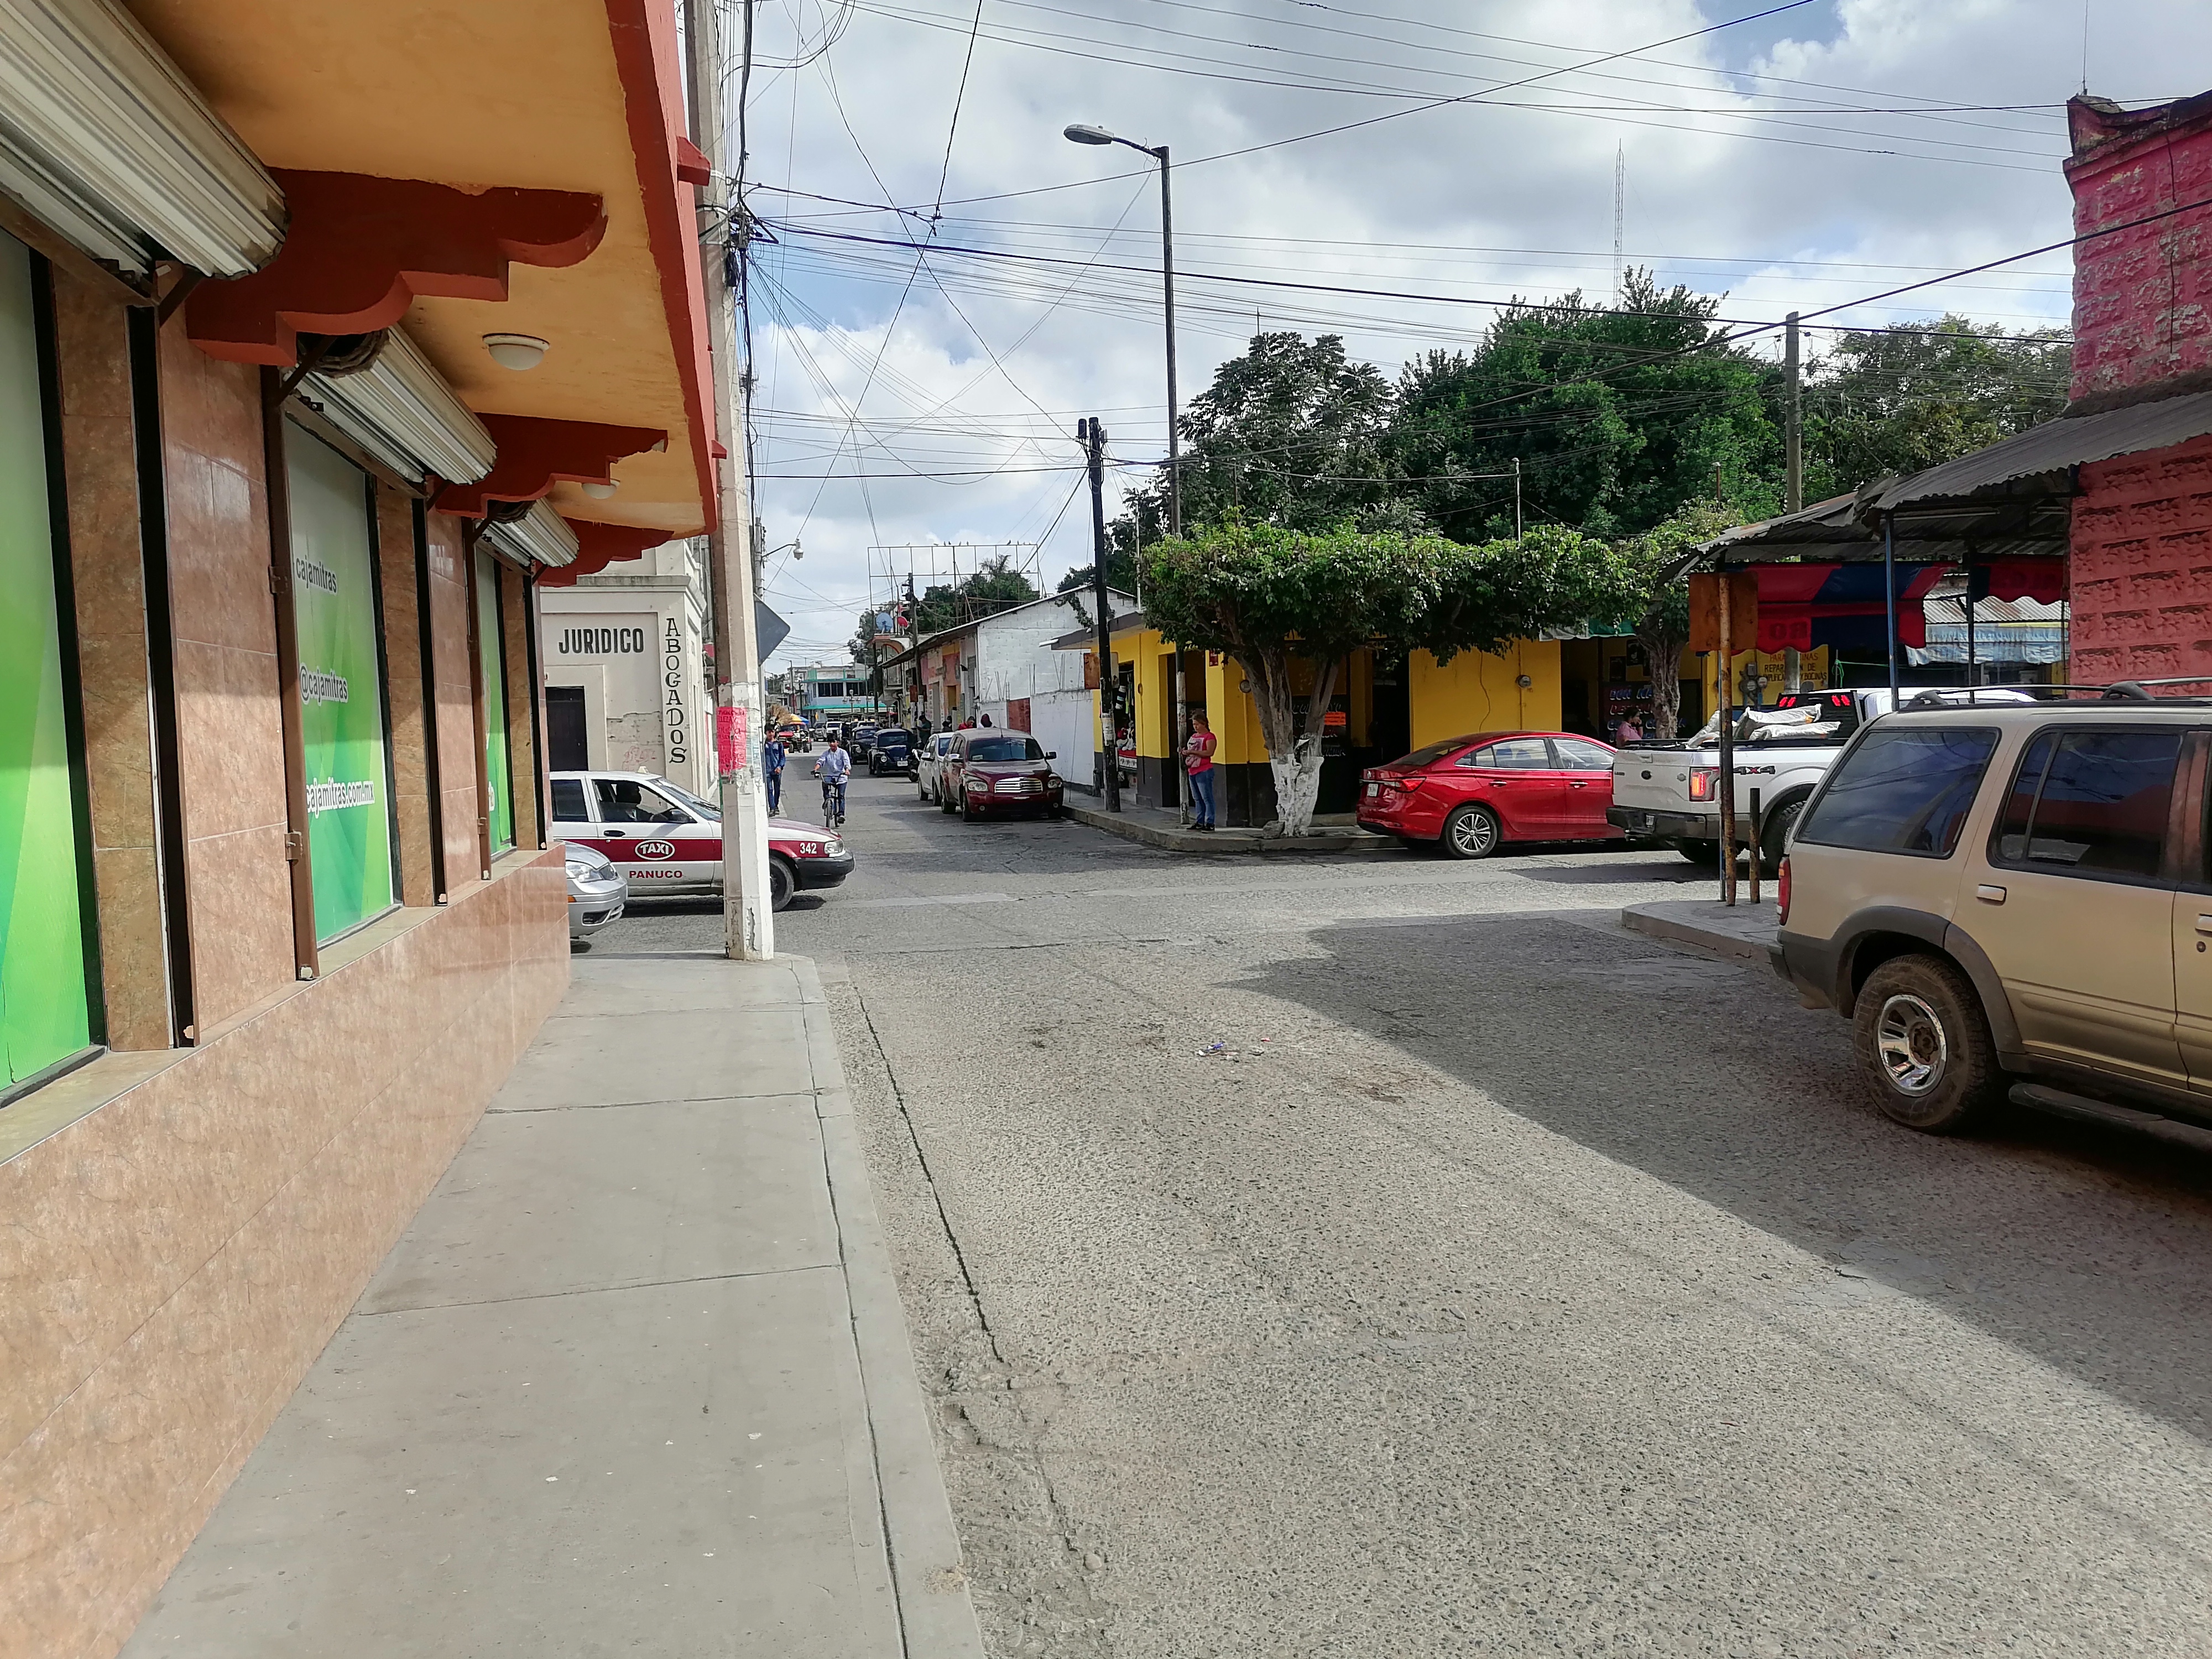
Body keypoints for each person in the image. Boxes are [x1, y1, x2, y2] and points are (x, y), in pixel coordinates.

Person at [1183, 712, 1218, 831]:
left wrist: (1193, 752)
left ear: (1204, 724)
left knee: (1207, 798)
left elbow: (1209, 752)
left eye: (1197, 724)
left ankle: (1210, 822)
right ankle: (1199, 821)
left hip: (1204, 770)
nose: (1195, 727)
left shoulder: (1210, 737)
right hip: (1192, 769)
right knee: (1197, 798)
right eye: (1194, 724)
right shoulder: (1194, 737)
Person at [816, 737, 851, 828]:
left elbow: (847, 763)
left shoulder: (843, 753)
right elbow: (821, 761)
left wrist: (847, 770)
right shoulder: (826, 753)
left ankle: (841, 814)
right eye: (829, 742)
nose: (831, 744)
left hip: (841, 777)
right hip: (830, 776)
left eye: (833, 742)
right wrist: (816, 769)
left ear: (837, 743)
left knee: (841, 796)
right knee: (824, 783)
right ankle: (827, 800)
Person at [762, 731, 786, 816]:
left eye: (772, 732)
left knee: (777, 789)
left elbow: (782, 757)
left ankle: (776, 806)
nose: (770, 734)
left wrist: (780, 767)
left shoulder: (779, 744)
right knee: (769, 789)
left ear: (774, 733)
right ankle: (772, 808)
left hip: (777, 770)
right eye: (768, 733)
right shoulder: (764, 744)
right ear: (766, 733)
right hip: (767, 771)